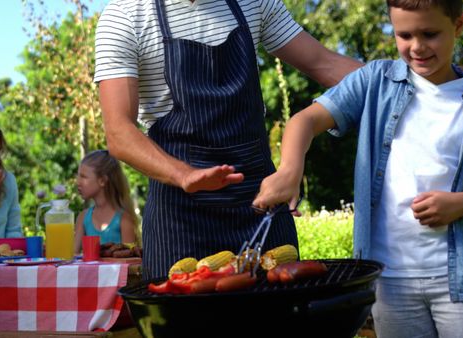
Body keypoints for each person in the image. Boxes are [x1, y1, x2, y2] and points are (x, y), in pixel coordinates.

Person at [253, 0, 463, 336]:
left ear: (459, 24)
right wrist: (289, 171)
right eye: (404, 34)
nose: (417, 46)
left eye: (430, 34)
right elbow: (304, 121)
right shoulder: (374, 82)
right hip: (390, 279)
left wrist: (461, 205)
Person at [94, 0, 362, 279]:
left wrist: (398, 81)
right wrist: (184, 174)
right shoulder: (124, 16)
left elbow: (324, 64)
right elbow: (118, 133)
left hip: (263, 207)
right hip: (180, 218)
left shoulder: (255, 2)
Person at [73, 150, 138, 255]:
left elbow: (130, 261)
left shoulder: (124, 219)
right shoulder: (83, 218)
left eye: (84, 177)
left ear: (102, 180)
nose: (78, 182)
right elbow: (73, 256)